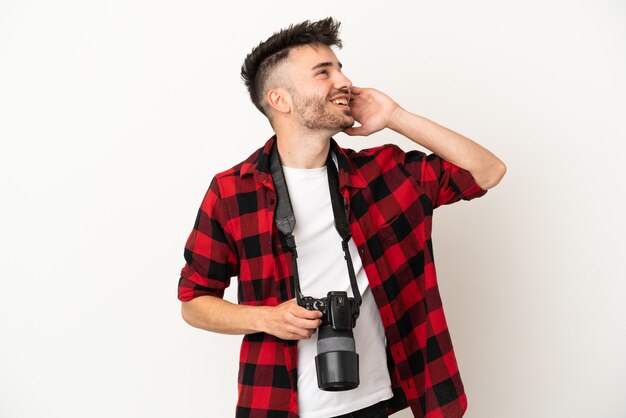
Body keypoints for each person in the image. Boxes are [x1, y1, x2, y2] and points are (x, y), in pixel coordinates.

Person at [178, 17, 506, 418]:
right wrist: (266, 317)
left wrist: (395, 116)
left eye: (340, 68)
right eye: (324, 72)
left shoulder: (382, 173)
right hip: (277, 404)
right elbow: (194, 302)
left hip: (372, 401)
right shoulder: (233, 191)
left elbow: (487, 172)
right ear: (280, 99)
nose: (344, 81)